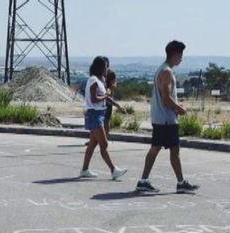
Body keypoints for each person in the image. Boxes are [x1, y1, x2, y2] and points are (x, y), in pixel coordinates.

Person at [136, 40, 197, 193]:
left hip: (161, 118)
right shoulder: (167, 72)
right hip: (166, 119)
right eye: (181, 55)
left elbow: (167, 97)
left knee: (160, 149)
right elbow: (166, 98)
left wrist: (176, 105)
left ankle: (146, 180)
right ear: (174, 54)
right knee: (170, 150)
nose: (182, 58)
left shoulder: (162, 70)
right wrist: (179, 109)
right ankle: (179, 183)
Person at [79, 56, 127, 180]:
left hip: (99, 114)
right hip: (94, 114)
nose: (107, 69)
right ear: (100, 67)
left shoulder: (99, 80)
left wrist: (117, 105)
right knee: (104, 144)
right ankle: (113, 169)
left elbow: (105, 97)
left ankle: (84, 170)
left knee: (93, 144)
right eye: (106, 66)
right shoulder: (93, 80)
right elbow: (95, 99)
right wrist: (106, 95)